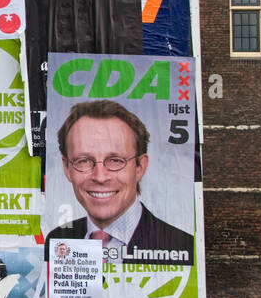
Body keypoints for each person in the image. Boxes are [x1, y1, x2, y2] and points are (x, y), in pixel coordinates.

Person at [45, 99, 194, 263]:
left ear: (140, 167)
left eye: (115, 160)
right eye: (84, 161)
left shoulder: (182, 246)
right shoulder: (57, 240)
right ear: (67, 168)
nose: (100, 177)